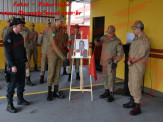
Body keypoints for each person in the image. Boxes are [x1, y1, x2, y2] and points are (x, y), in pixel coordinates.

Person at [123, 21, 150, 115]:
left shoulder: (144, 39)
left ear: (139, 29)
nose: (133, 30)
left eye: (134, 29)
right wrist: (129, 61)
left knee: (136, 85)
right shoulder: (135, 39)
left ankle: (137, 106)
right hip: (132, 65)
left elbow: (141, 54)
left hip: (138, 66)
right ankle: (132, 101)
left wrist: (131, 61)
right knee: (131, 84)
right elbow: (132, 51)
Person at [4, 18, 30, 113]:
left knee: (21, 82)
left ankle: (20, 99)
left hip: (21, 63)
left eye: (22, 25)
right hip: (14, 65)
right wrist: (12, 65)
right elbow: (7, 53)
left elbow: (23, 50)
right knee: (12, 84)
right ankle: (9, 104)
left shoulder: (20, 36)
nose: (22, 27)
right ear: (15, 26)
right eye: (21, 25)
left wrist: (26, 60)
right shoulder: (8, 37)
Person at [95, 25, 124, 102]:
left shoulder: (117, 41)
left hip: (111, 63)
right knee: (105, 78)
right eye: (107, 33)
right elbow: (97, 44)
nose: (108, 34)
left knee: (111, 79)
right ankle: (106, 91)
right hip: (103, 62)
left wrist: (115, 62)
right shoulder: (104, 38)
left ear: (114, 32)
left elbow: (121, 54)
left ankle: (111, 94)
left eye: (109, 33)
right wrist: (96, 40)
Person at [46, 14, 70, 101]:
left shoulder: (61, 31)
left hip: (60, 54)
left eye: (62, 21)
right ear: (56, 20)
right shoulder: (51, 30)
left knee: (57, 73)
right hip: (52, 54)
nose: (62, 22)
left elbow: (63, 42)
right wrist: (65, 58)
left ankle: (56, 91)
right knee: (51, 73)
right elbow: (54, 46)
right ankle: (49, 93)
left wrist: (65, 47)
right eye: (61, 21)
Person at [19, 16, 34, 86]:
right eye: (21, 20)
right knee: (18, 64)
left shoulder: (27, 30)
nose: (22, 21)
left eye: (23, 20)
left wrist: (29, 46)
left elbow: (31, 38)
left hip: (26, 49)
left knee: (27, 64)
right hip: (18, 50)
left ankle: (28, 79)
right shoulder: (16, 29)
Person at [38, 19, 52, 84]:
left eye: (50, 23)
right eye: (48, 23)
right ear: (45, 24)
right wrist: (41, 34)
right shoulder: (43, 32)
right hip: (44, 51)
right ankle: (41, 77)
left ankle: (50, 78)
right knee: (43, 64)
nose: (49, 25)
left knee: (51, 64)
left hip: (51, 51)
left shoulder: (53, 32)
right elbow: (39, 42)